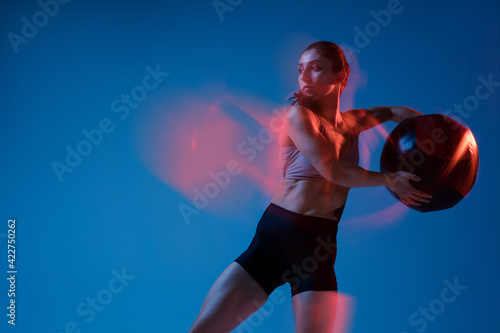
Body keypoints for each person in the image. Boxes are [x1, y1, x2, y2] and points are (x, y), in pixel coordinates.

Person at [188, 41, 432, 333]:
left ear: (340, 76)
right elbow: (333, 170)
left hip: (319, 247)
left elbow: (395, 111)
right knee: (204, 330)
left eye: (315, 68)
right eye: (300, 69)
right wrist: (390, 179)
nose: (304, 77)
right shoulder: (299, 117)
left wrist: (436, 131)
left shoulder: (355, 123)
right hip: (275, 238)